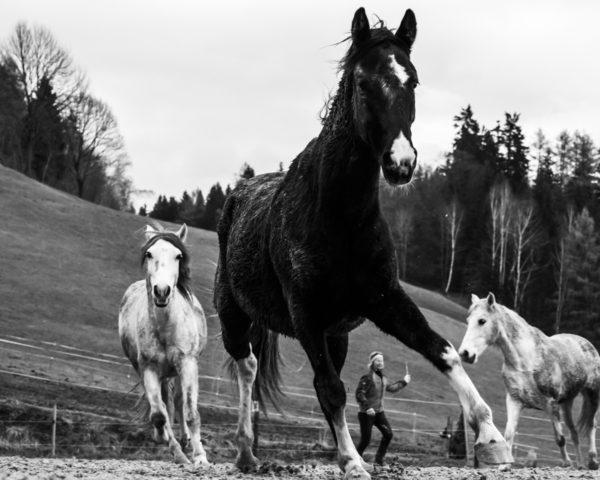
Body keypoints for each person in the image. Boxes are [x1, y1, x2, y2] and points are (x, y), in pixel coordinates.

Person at [355, 351, 411, 465]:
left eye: (382, 360)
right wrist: (367, 407)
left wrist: (404, 381)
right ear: (372, 363)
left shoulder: (382, 377)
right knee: (365, 441)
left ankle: (379, 460)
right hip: (366, 414)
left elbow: (392, 388)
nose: (380, 362)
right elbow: (359, 393)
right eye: (377, 360)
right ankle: (354, 462)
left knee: (388, 434)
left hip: (379, 413)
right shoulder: (368, 377)